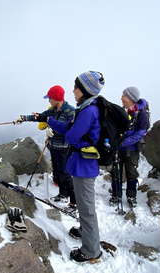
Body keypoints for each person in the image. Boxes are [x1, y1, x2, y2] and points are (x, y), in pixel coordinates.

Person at [46, 71, 104, 263]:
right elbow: (69, 129)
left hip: (84, 166)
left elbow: (71, 136)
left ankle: (91, 251)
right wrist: (50, 121)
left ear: (85, 90)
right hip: (82, 163)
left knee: (86, 208)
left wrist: (68, 130)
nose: (73, 90)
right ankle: (84, 232)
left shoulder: (88, 111)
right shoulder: (85, 107)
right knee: (82, 202)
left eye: (76, 87)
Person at [16, 85, 76, 209]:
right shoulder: (52, 110)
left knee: (65, 174)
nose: (49, 100)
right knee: (58, 173)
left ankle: (74, 202)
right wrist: (24, 118)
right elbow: (40, 117)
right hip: (53, 146)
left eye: (50, 98)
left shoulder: (70, 111)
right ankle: (63, 194)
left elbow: (69, 129)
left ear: (56, 98)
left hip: (65, 148)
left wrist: (53, 130)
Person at [110, 87, 149, 208]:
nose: (121, 97)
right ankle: (116, 195)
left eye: (124, 95)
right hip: (119, 148)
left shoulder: (142, 114)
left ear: (131, 98)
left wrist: (122, 142)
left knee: (131, 173)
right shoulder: (123, 111)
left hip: (132, 150)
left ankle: (131, 196)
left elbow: (140, 133)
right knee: (116, 171)